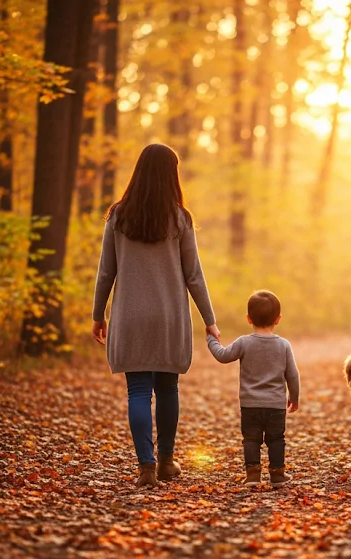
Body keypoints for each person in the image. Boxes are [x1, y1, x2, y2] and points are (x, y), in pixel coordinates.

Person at [91, 143, 220, 488]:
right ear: (170, 174)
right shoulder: (180, 218)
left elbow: (106, 272)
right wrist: (209, 319)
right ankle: (165, 461)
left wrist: (98, 314)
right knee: (167, 388)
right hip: (168, 316)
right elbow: (194, 274)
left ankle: (145, 466)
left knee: (137, 391)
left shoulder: (118, 216)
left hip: (129, 316)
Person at [206, 290, 300, 487]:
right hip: (276, 405)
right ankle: (277, 475)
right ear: (278, 319)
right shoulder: (283, 345)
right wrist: (294, 397)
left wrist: (211, 339)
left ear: (249, 319)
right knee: (276, 439)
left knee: (251, 440)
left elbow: (222, 356)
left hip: (250, 405)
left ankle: (253, 475)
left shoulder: (244, 342)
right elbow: (292, 375)